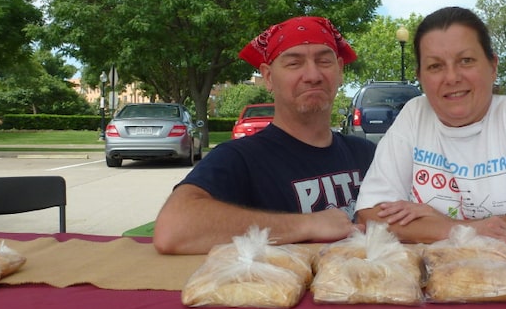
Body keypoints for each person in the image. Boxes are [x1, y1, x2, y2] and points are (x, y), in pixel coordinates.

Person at [355, 6, 506, 245]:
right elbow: (370, 216)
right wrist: (462, 230)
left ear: (493, 66)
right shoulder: (415, 114)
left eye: (466, 60)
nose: (451, 77)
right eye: (435, 66)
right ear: (420, 76)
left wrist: (441, 225)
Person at [153, 16, 376, 254]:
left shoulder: (367, 153)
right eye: (294, 64)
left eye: (324, 61)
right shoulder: (241, 158)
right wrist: (307, 224)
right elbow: (174, 229)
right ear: (268, 77)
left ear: (340, 71)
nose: (313, 75)